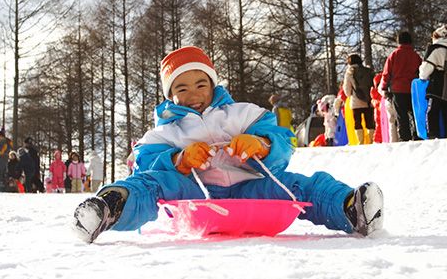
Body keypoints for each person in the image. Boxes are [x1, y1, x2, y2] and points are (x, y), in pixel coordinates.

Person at [72, 45, 384, 243]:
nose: (193, 94)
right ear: (170, 96)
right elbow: (144, 161)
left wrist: (260, 144)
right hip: (192, 192)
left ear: (212, 84)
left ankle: (350, 208)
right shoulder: (168, 130)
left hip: (248, 186)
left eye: (200, 84)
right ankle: (108, 208)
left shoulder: (240, 114)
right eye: (181, 88)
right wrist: (179, 160)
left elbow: (283, 140)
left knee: (298, 185)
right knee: (148, 184)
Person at [380, 30, 423, 142]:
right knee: (414, 112)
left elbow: (387, 73)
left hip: (398, 89)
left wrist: (384, 87)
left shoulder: (394, 55)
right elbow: (421, 71)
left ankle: (405, 137)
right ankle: (417, 135)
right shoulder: (416, 56)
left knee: (401, 115)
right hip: (413, 89)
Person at [418, 24, 447, 139]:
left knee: (432, 112)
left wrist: (422, 76)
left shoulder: (435, 49)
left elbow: (425, 71)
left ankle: (433, 135)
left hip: (437, 84)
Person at [342, 54, 375, 144]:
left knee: (357, 122)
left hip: (356, 102)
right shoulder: (368, 71)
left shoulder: (349, 73)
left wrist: (350, 95)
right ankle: (371, 140)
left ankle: (360, 141)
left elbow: (347, 90)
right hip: (369, 101)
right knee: (370, 122)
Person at [370, 74, 384, 143]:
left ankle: (376, 140)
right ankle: (377, 140)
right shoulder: (381, 95)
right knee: (380, 127)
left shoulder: (374, 95)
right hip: (380, 114)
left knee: (378, 126)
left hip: (377, 115)